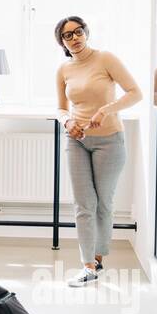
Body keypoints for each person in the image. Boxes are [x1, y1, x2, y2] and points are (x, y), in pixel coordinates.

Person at [54, 16, 142, 287]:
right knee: (83, 204)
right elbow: (60, 107)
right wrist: (67, 121)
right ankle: (88, 265)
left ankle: (99, 258)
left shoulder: (106, 59)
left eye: (78, 32)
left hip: (109, 141)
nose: (74, 38)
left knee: (103, 202)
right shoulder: (63, 70)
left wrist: (106, 110)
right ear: (62, 42)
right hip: (76, 140)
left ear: (86, 32)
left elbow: (135, 93)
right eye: (67, 36)